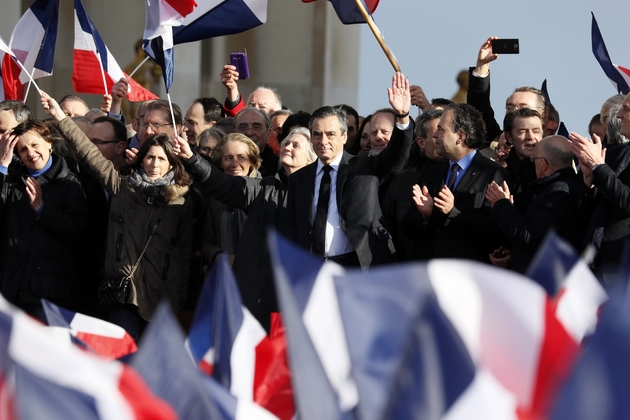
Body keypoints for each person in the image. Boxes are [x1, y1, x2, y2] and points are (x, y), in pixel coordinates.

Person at [41, 92, 193, 341]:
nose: (154, 164)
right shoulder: (122, 187)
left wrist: (182, 301)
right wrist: (59, 116)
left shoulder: (182, 200)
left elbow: (184, 253)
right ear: (141, 160)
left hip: (162, 296)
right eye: (150, 157)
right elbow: (89, 152)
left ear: (171, 165)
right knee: (121, 365)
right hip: (124, 293)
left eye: (161, 159)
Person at [177, 127, 316, 330]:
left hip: (301, 293)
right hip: (262, 295)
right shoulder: (264, 188)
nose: (288, 147)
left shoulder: (320, 194)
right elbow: (222, 184)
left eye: (296, 145)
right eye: (286, 143)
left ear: (311, 159)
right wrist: (191, 158)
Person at [284, 72, 414, 268]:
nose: (323, 141)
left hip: (358, 268)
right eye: (317, 134)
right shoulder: (299, 178)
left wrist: (402, 118)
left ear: (344, 137)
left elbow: (397, 156)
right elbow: (292, 230)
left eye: (330, 134)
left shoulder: (365, 165)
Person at [0, 119, 88, 320]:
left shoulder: (69, 183)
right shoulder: (12, 180)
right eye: (23, 150)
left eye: (35, 145)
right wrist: (3, 167)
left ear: (49, 143)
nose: (30, 153)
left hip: (49, 292)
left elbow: (78, 230)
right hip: (11, 288)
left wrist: (42, 209)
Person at [404, 103, 507, 262]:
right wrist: (425, 216)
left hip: (466, 274)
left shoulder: (493, 173)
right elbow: (407, 227)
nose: (435, 135)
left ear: (460, 136)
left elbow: (495, 230)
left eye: (441, 129)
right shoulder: (430, 174)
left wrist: (453, 211)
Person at [486, 136, 583, 272]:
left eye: (534, 159)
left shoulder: (560, 193)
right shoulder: (552, 188)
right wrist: (515, 254)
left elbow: (530, 237)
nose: (533, 163)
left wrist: (501, 204)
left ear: (543, 163)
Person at [569, 93, 630, 284]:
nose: (618, 115)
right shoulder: (612, 154)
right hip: (593, 267)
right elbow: (589, 213)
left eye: (626, 109)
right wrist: (589, 181)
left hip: (620, 271)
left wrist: (599, 167)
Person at [382, 109, 444, 260]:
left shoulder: (464, 174)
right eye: (437, 135)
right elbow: (387, 228)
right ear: (421, 142)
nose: (443, 139)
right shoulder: (403, 180)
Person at [466, 36, 547, 147]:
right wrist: (482, 64)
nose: (514, 112)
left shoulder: (553, 153)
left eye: (523, 107)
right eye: (510, 108)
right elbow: (479, 105)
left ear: (542, 115)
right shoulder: (493, 142)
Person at [201, 134, 261, 268]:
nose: (235, 164)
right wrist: (219, 257)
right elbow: (206, 241)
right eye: (228, 158)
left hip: (257, 277)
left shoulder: (265, 193)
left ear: (251, 161)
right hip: (223, 276)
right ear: (220, 163)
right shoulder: (214, 198)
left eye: (241, 157)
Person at [234, 107, 279, 177]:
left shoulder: (279, 167)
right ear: (233, 133)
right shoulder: (222, 164)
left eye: (256, 127)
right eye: (243, 127)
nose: (249, 133)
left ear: (268, 133)